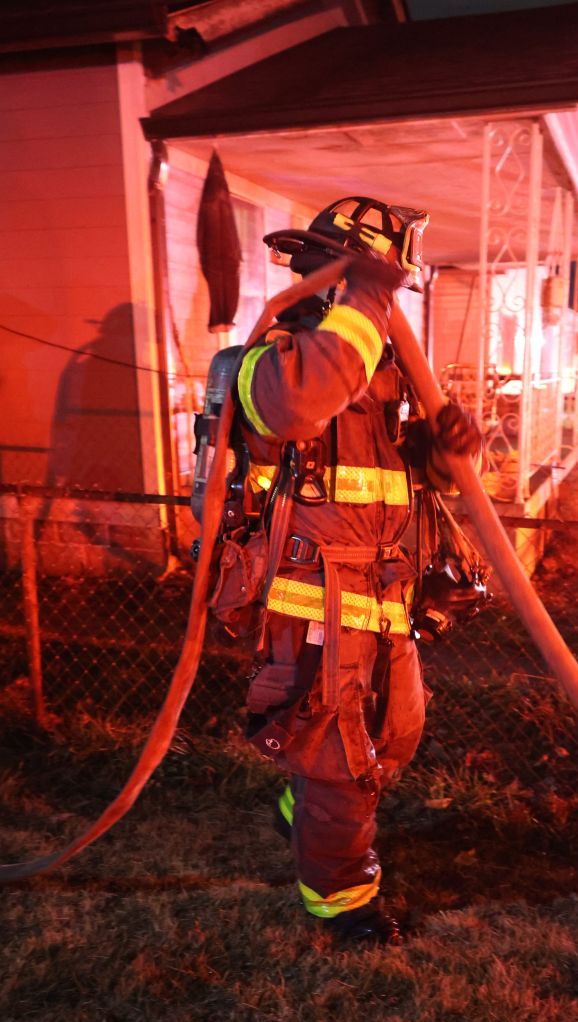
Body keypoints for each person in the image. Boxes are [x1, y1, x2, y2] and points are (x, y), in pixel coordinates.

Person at [229, 196, 482, 945]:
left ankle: (307, 806)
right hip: (314, 608)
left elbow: (393, 480)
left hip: (383, 598)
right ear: (333, 278)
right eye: (373, 283)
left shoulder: (375, 381)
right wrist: (368, 300)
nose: (383, 305)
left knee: (392, 740)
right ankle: (343, 904)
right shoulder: (269, 360)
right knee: (345, 769)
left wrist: (438, 453)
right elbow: (300, 408)